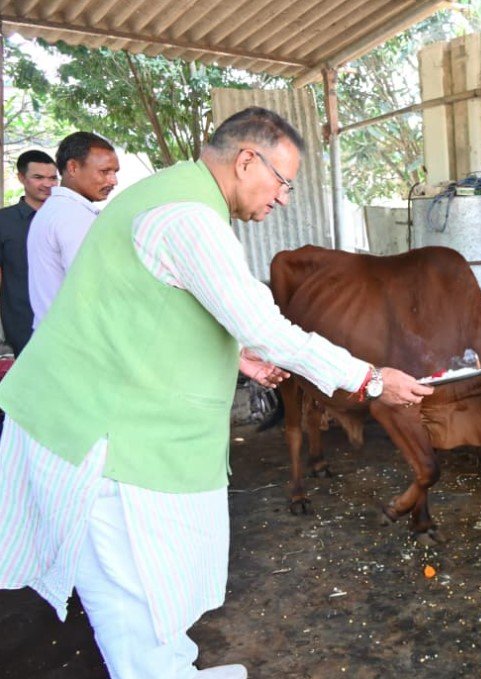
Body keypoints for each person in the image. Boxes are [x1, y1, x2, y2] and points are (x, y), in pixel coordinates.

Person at [0, 107, 433, 679]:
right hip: (100, 435)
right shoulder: (189, 218)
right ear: (247, 160)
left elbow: (149, 306)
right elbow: (268, 327)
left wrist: (238, 356)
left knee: (142, 598)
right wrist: (372, 379)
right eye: (282, 182)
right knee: (134, 604)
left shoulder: (166, 193)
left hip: (87, 417)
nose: (283, 198)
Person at [26, 131, 120, 327]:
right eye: (105, 172)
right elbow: (93, 287)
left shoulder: (57, 209)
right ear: (73, 167)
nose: (113, 181)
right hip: (73, 335)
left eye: (115, 172)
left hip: (55, 332)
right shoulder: (72, 216)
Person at [0, 150, 59, 355]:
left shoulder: (64, 219)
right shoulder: (4, 221)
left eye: (53, 178)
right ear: (21, 178)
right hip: (21, 325)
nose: (47, 184)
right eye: (38, 177)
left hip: (63, 320)